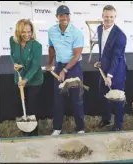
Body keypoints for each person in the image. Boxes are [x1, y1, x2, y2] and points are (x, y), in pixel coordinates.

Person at [46, 5, 85, 135]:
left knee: (76, 99)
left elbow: (76, 55)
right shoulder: (51, 31)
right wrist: (50, 63)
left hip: (74, 68)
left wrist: (65, 71)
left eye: (67, 14)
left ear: (69, 16)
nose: (64, 18)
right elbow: (51, 48)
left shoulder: (77, 33)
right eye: (61, 15)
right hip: (59, 66)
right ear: (57, 17)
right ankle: (57, 128)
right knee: (58, 99)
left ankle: (80, 128)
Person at [94, 5, 127, 131]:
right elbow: (103, 49)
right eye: (106, 17)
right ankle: (106, 119)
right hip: (103, 70)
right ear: (102, 16)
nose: (108, 19)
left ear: (115, 17)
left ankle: (118, 124)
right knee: (104, 96)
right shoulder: (99, 29)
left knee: (117, 98)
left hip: (116, 72)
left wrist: (110, 75)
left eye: (111, 17)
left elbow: (116, 57)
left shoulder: (120, 36)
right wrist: (100, 61)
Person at [9, 19, 44, 136]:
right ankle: (24, 133)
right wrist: (14, 63)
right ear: (18, 32)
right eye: (23, 32)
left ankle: (34, 134)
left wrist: (25, 79)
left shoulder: (37, 46)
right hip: (19, 80)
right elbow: (12, 55)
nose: (27, 34)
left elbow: (35, 66)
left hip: (34, 80)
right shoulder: (12, 41)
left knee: (31, 109)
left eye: (29, 31)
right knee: (21, 107)